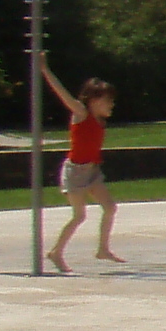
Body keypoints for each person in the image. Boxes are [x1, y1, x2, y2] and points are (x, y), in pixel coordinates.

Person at [40, 58, 123, 271]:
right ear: (94, 100)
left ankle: (102, 249)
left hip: (92, 170)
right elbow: (62, 93)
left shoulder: (99, 121)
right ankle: (56, 252)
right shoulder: (81, 113)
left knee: (110, 208)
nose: (112, 105)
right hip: (76, 172)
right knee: (79, 216)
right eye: (108, 100)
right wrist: (45, 69)